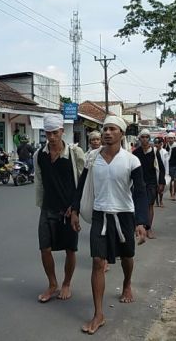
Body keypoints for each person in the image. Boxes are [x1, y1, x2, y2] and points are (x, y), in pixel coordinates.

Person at [70, 116, 148, 335]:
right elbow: (82, 186)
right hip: (99, 214)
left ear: (121, 134)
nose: (107, 133)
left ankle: (127, 284)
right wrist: (74, 210)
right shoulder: (92, 158)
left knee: (127, 256)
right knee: (97, 261)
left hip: (124, 215)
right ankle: (98, 314)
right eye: (105, 129)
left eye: (112, 129)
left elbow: (140, 192)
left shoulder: (131, 160)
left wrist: (141, 221)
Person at [34, 113, 85, 303]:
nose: (52, 137)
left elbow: (81, 184)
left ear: (62, 131)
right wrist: (41, 205)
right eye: (48, 133)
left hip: (69, 210)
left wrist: (76, 210)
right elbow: (39, 182)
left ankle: (66, 283)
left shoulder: (74, 154)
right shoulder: (39, 155)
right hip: (47, 208)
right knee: (44, 248)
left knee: (70, 249)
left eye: (55, 133)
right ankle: (52, 283)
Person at [132, 129, 165, 239]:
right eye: (143, 137)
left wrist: (161, 182)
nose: (145, 139)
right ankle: (138, 226)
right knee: (138, 205)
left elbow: (161, 168)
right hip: (139, 182)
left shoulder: (155, 152)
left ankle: (148, 228)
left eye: (147, 137)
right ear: (139, 138)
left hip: (151, 182)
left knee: (150, 205)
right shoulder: (136, 153)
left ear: (149, 138)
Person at [154, 137, 170, 208]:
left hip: (161, 171)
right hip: (154, 171)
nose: (156, 145)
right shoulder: (152, 151)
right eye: (155, 143)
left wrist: (166, 173)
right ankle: (155, 200)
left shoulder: (165, 153)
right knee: (154, 187)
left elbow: (166, 164)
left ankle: (160, 200)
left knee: (161, 187)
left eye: (158, 143)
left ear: (161, 144)